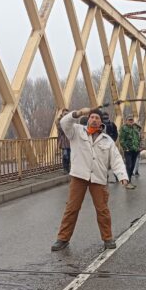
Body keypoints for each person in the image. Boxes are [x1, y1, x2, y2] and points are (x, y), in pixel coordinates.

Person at [51, 108, 128, 252]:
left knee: (102, 210)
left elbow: (116, 159)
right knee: (72, 208)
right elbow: (63, 122)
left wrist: (122, 176)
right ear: (88, 119)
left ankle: (107, 238)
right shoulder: (76, 131)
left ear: (101, 122)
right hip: (79, 176)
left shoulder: (107, 140)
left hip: (98, 178)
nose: (94, 119)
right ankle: (62, 239)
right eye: (92, 117)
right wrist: (78, 113)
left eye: (97, 118)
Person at [119, 115, 140, 189]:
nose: (131, 121)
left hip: (135, 150)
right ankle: (127, 182)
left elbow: (138, 137)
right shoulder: (124, 128)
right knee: (129, 166)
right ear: (126, 121)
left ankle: (130, 181)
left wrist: (138, 147)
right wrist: (125, 148)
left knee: (133, 166)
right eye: (129, 120)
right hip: (128, 150)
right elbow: (121, 139)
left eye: (132, 120)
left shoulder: (135, 128)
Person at [56, 108, 71, 174]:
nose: (66, 115)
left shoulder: (70, 120)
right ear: (62, 114)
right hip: (63, 141)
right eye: (65, 114)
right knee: (65, 155)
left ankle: (68, 168)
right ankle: (65, 169)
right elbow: (61, 129)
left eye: (67, 114)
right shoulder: (59, 120)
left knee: (70, 155)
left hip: (70, 141)